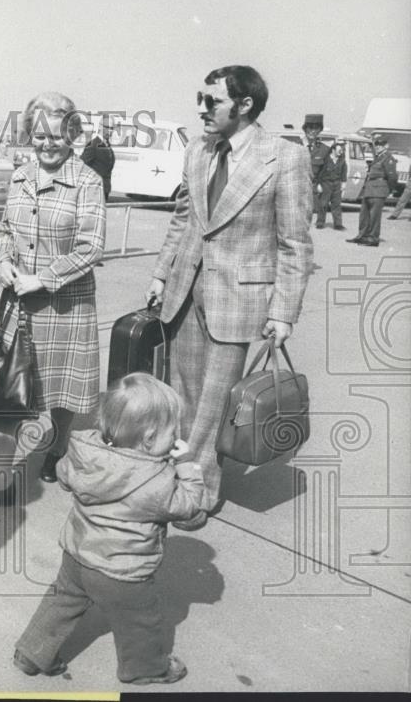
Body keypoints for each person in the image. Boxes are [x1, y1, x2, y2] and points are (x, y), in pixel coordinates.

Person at [145, 65, 313, 529]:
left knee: (216, 400)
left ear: (244, 106)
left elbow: (295, 243)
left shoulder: (284, 157)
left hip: (238, 299)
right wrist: (161, 274)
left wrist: (283, 312)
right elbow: (183, 219)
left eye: (212, 101)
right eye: (201, 98)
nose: (202, 109)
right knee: (182, 393)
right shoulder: (199, 149)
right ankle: (176, 470)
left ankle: (199, 491)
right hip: (186, 288)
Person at [0, 91, 105, 511]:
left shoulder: (88, 182)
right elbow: (5, 229)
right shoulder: (21, 174)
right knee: (9, 393)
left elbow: (91, 247)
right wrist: (3, 261)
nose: (46, 144)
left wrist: (43, 278)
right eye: (39, 136)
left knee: (61, 391)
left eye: (56, 136)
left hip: (66, 303)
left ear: (73, 135)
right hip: (19, 304)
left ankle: (57, 447)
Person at [14, 373, 203, 685]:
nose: (177, 438)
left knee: (61, 601)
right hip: (122, 572)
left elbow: (63, 475)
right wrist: (187, 465)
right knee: (141, 621)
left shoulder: (84, 452)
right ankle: (144, 668)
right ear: (149, 439)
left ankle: (32, 652)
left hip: (77, 555)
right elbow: (190, 506)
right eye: (173, 432)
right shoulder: (157, 480)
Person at [348, 134, 399, 246]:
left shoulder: (388, 158)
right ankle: (362, 235)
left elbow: (393, 177)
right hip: (370, 188)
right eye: (376, 145)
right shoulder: (378, 157)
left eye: (381, 145)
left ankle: (373, 238)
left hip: (379, 189)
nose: (378, 147)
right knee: (364, 215)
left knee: (375, 216)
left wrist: (387, 190)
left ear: (386, 146)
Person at [302, 113, 330, 228]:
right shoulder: (296, 145)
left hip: (313, 188)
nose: (312, 131)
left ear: (319, 130)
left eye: (316, 128)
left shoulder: (324, 149)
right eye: (310, 128)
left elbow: (325, 172)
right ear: (305, 129)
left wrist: (320, 185)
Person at [80, 114, 116, 201]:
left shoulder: (108, 146)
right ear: (100, 127)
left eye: (112, 128)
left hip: (104, 190)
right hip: (93, 191)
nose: (110, 131)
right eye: (107, 127)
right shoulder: (93, 145)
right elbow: (81, 165)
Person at [318, 141, 347, 230]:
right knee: (323, 204)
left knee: (337, 204)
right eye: (339, 149)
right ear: (333, 149)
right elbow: (320, 173)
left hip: (337, 184)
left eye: (342, 150)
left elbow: (344, 173)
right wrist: (319, 184)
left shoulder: (342, 160)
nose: (341, 151)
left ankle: (338, 224)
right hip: (326, 183)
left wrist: (343, 184)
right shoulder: (326, 159)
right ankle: (320, 222)